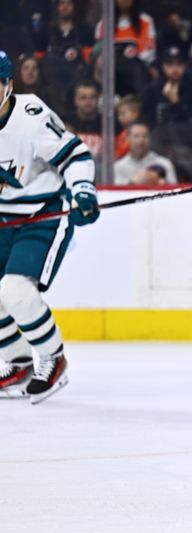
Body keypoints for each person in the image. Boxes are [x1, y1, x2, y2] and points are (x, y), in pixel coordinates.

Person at [0, 50, 99, 404]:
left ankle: (53, 359)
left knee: (15, 290)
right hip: (3, 220)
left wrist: (82, 190)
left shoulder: (31, 117)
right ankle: (18, 362)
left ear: (9, 86)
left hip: (42, 215)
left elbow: (75, 156)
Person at [94, 0, 157, 65]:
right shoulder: (103, 24)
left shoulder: (145, 21)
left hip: (138, 70)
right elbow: (98, 53)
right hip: (111, 70)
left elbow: (149, 53)